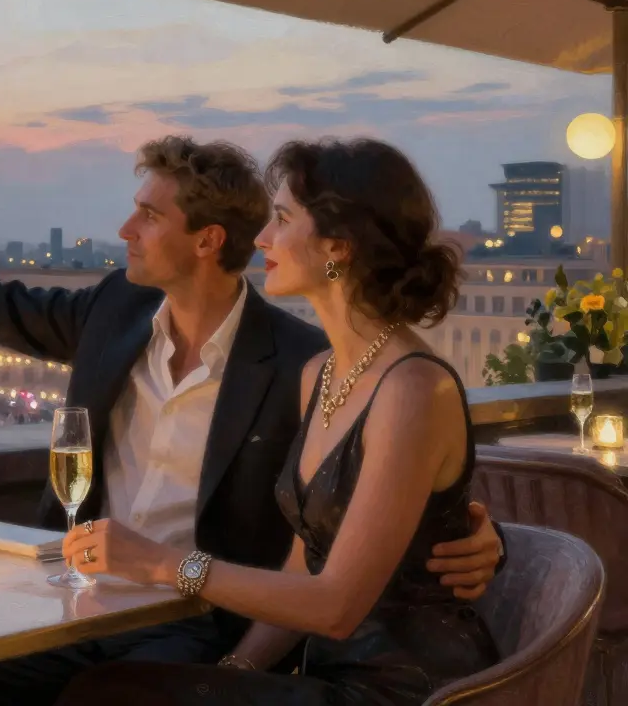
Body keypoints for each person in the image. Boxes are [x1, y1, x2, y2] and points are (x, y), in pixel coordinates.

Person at [0, 135, 504, 706]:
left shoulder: (301, 362)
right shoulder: (131, 315)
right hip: (84, 606)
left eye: (149, 216)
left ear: (208, 240)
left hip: (203, 626)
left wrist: (483, 535)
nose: (125, 229)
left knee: (104, 698)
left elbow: (360, 540)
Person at [55, 137, 500, 705]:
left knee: (107, 697)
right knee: (103, 690)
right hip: (320, 674)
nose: (262, 238)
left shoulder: (412, 389)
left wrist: (164, 564)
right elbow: (299, 571)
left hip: (403, 688)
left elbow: (336, 606)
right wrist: (234, 669)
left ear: (338, 246)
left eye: (283, 219)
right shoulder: (319, 372)